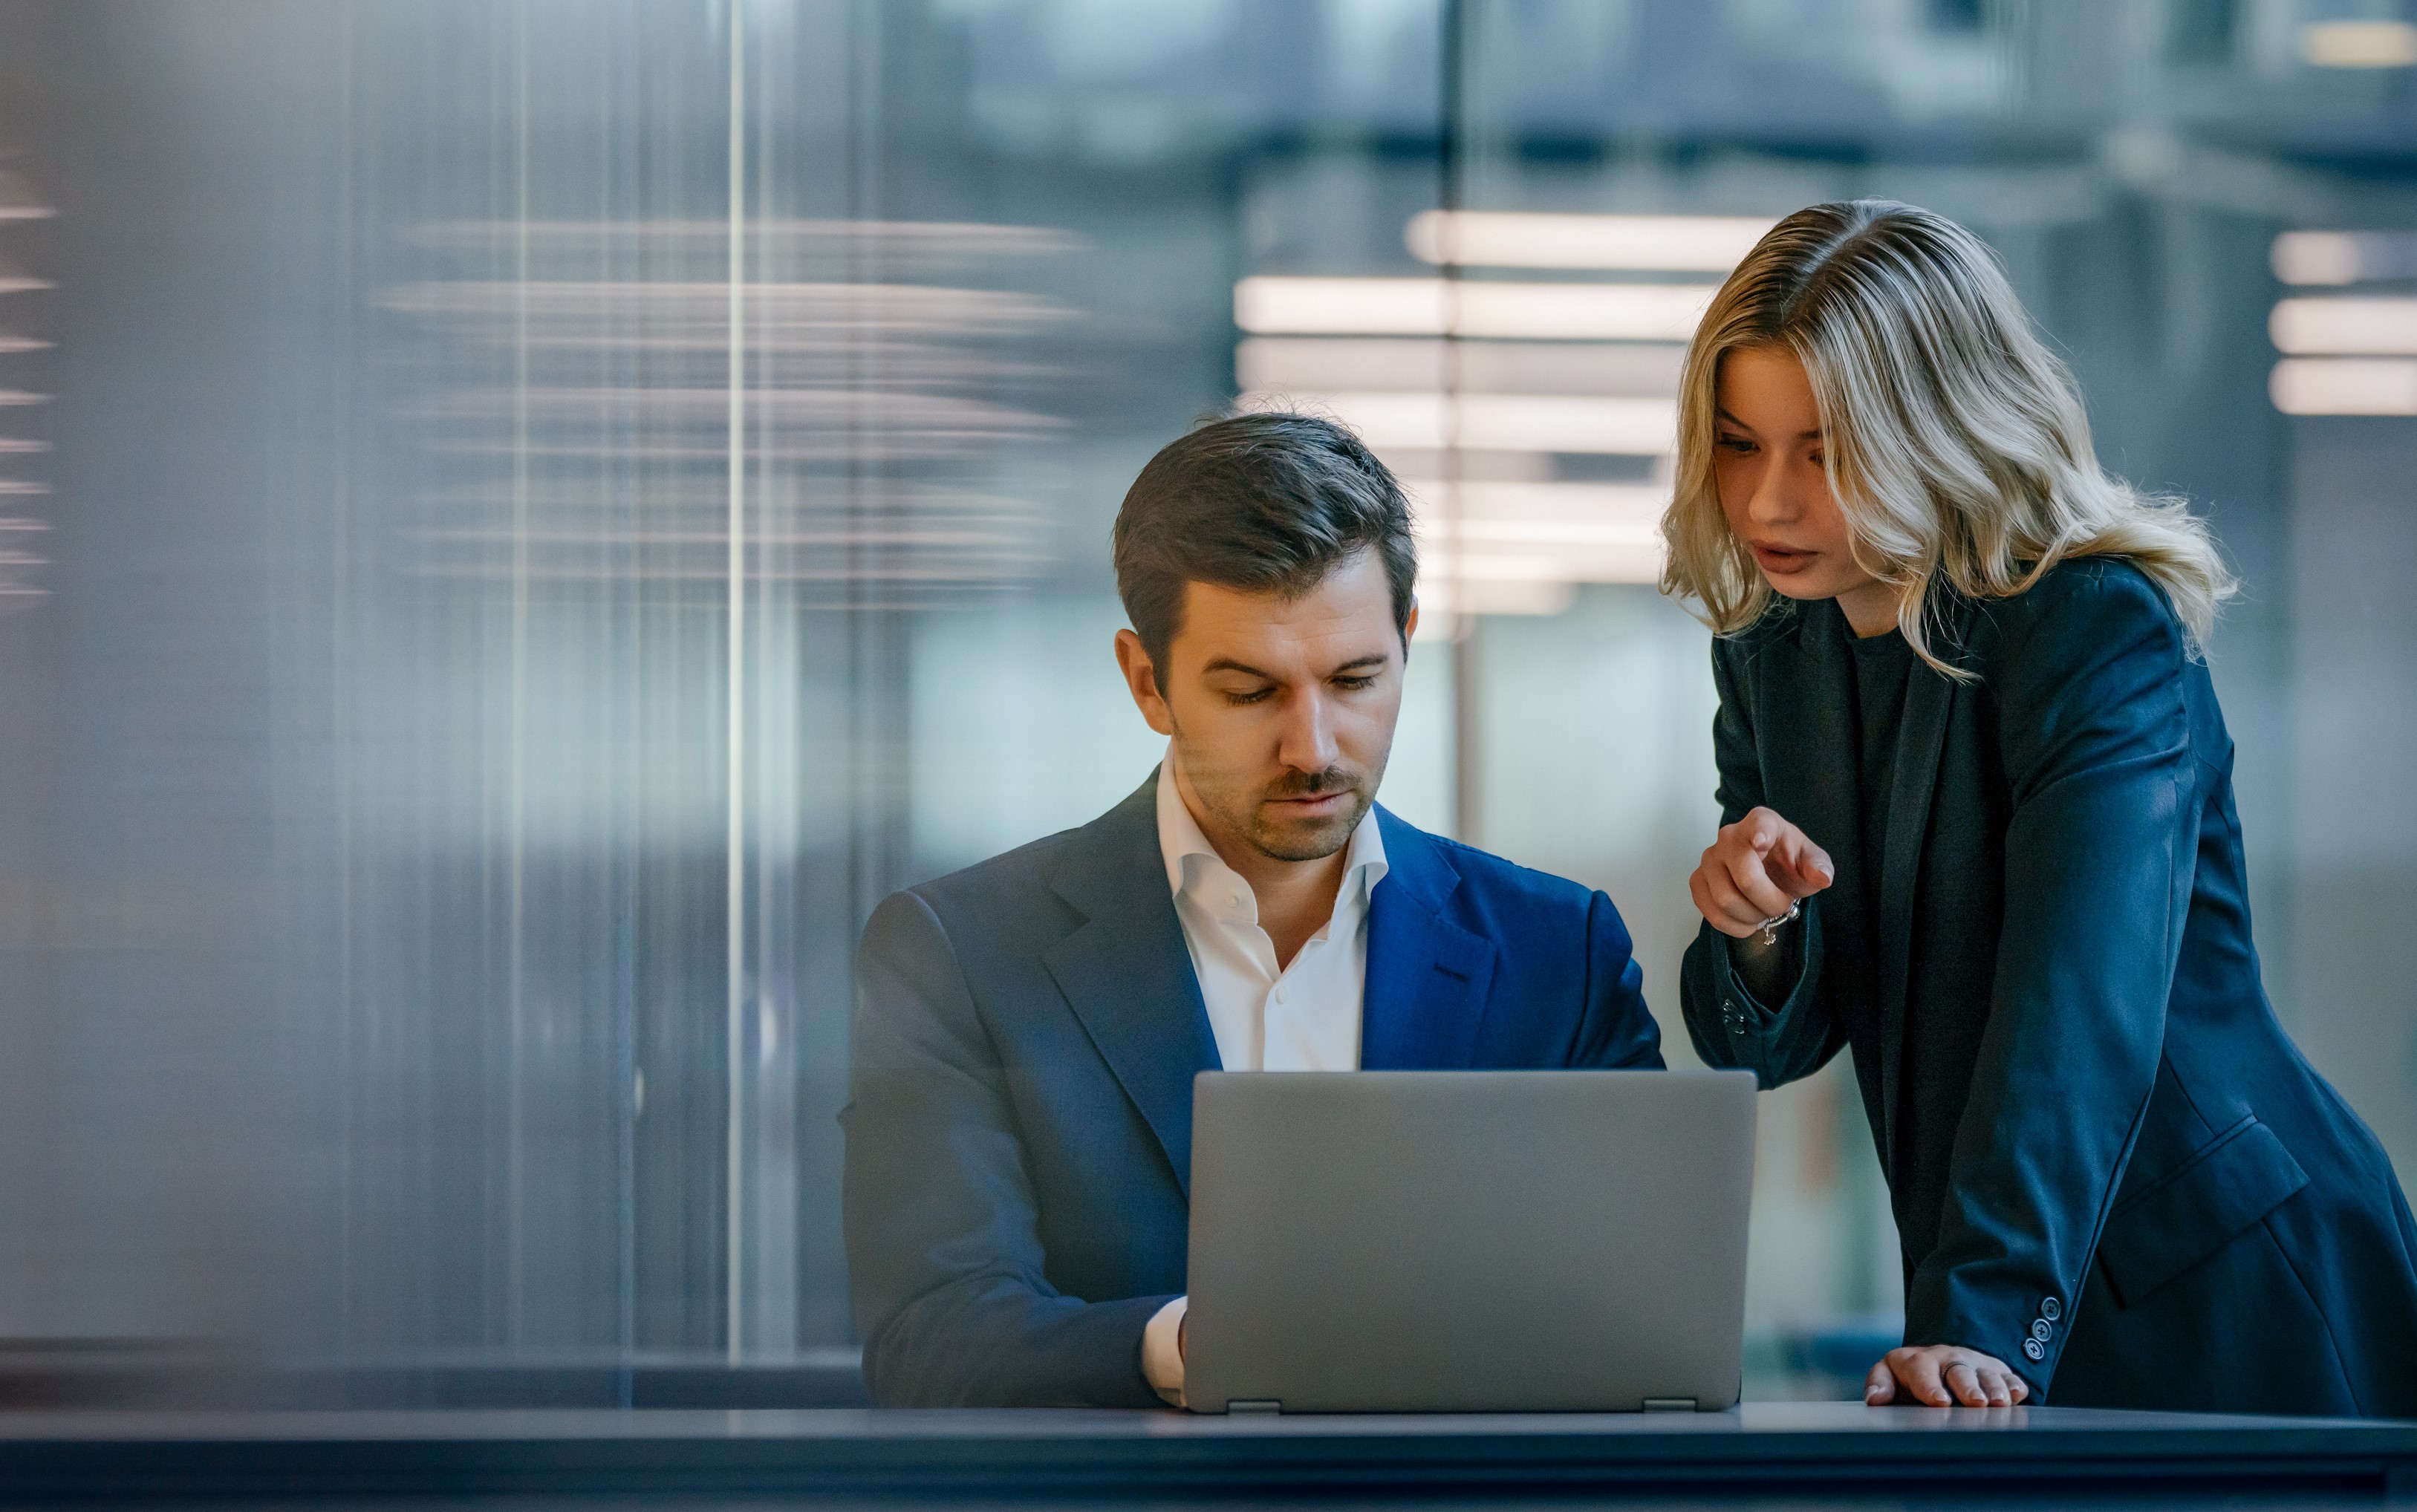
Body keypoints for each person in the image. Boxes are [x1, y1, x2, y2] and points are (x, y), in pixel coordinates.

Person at [1665, 199, 2417, 1416]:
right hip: (1990, 1301)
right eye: (1742, 444)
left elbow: (2082, 997)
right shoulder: (1773, 649)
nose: (1766, 504)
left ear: (1938, 431)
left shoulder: (2093, 623)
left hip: (2221, 1284)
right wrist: (1755, 927)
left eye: (1824, 451)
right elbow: (1772, 1040)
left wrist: (1981, 1314)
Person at [842, 411, 1664, 1408]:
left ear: (1406, 645)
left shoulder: (1557, 955)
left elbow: (1645, 1328)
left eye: (1355, 679)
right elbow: (930, 1338)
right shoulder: (960, 956)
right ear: (1148, 682)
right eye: (1249, 690)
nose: (1312, 746)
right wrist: (1185, 1347)